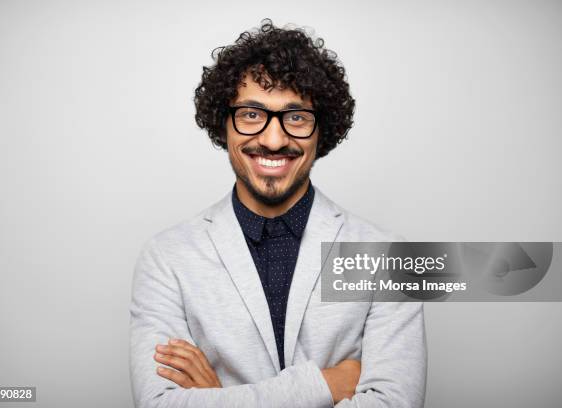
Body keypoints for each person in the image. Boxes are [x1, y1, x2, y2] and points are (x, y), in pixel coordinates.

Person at [129, 19, 427, 408]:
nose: (273, 139)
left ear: (323, 131)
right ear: (224, 124)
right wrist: (324, 384)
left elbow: (395, 404)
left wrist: (219, 400)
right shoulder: (166, 257)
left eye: (297, 117)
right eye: (251, 114)